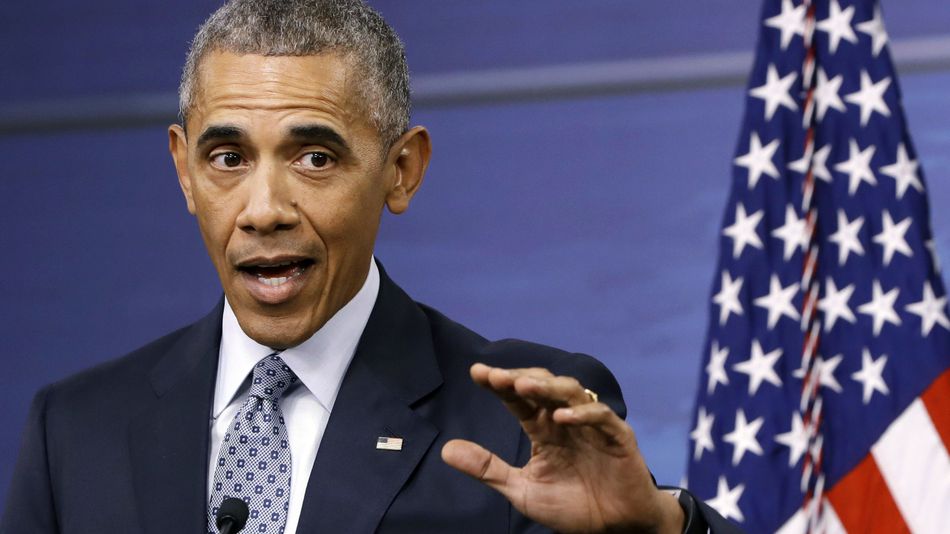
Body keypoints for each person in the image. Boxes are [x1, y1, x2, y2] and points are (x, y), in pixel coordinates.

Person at [1, 1, 738, 533]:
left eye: (314, 158)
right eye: (227, 158)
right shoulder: (75, 430)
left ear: (402, 171)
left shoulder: (524, 427)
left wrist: (662, 533)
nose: (263, 209)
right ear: (184, 172)